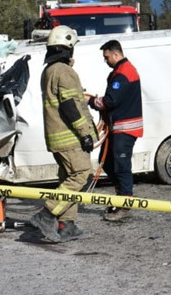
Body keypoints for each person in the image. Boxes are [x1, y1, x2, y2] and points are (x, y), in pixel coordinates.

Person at [28, 25, 97, 242]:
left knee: (68, 177)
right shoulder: (64, 71)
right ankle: (47, 214)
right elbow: (70, 106)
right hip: (69, 137)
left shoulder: (48, 71)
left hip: (57, 136)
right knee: (82, 173)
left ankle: (67, 224)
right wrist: (85, 133)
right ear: (67, 47)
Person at [87, 39, 142, 222]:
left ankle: (125, 204)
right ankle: (121, 197)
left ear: (115, 54)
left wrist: (90, 101)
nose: (105, 60)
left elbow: (110, 100)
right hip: (117, 127)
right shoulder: (119, 72)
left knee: (121, 166)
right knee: (108, 162)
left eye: (106, 57)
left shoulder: (123, 73)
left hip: (125, 128)